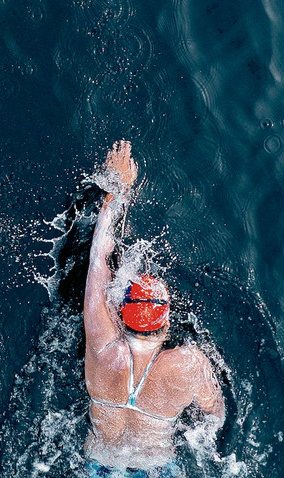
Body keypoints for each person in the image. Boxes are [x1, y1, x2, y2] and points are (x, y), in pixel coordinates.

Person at [83, 140, 225, 477]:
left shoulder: (102, 344)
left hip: (98, 463)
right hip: (154, 469)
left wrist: (117, 191)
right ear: (164, 323)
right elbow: (214, 416)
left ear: (120, 313)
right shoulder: (188, 364)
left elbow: (98, 259)